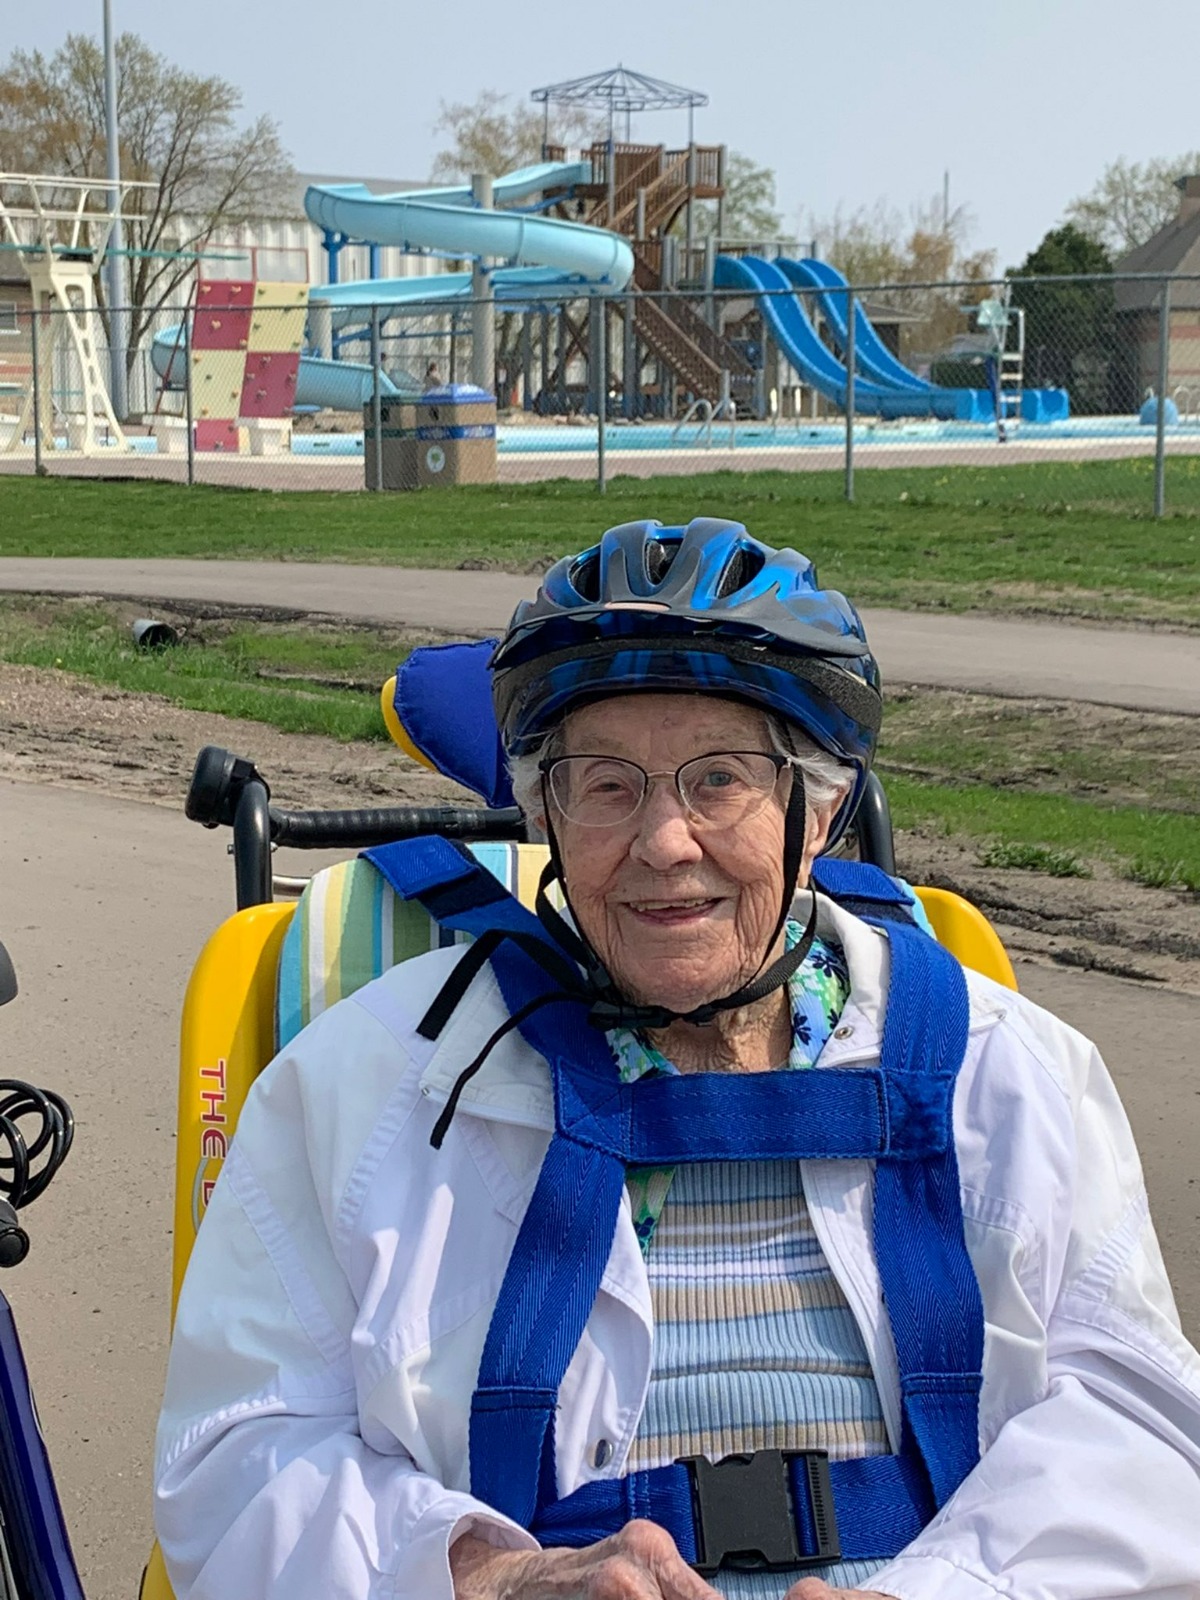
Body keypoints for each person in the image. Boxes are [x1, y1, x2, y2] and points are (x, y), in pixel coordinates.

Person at [155, 519, 1200, 1600]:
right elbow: (236, 1457)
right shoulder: (365, 1084)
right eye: (606, 785)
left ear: (818, 809)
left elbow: (1142, 1426)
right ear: (546, 810)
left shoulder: (1003, 1071)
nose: (663, 841)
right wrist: (490, 1577)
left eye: (719, 780)